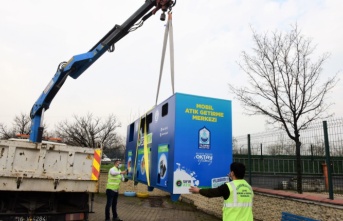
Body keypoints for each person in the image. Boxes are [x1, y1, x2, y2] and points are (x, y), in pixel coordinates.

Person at [189, 162, 253, 221]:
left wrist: (198, 190)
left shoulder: (228, 187)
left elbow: (211, 193)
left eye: (230, 172)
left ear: (232, 173)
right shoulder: (249, 187)